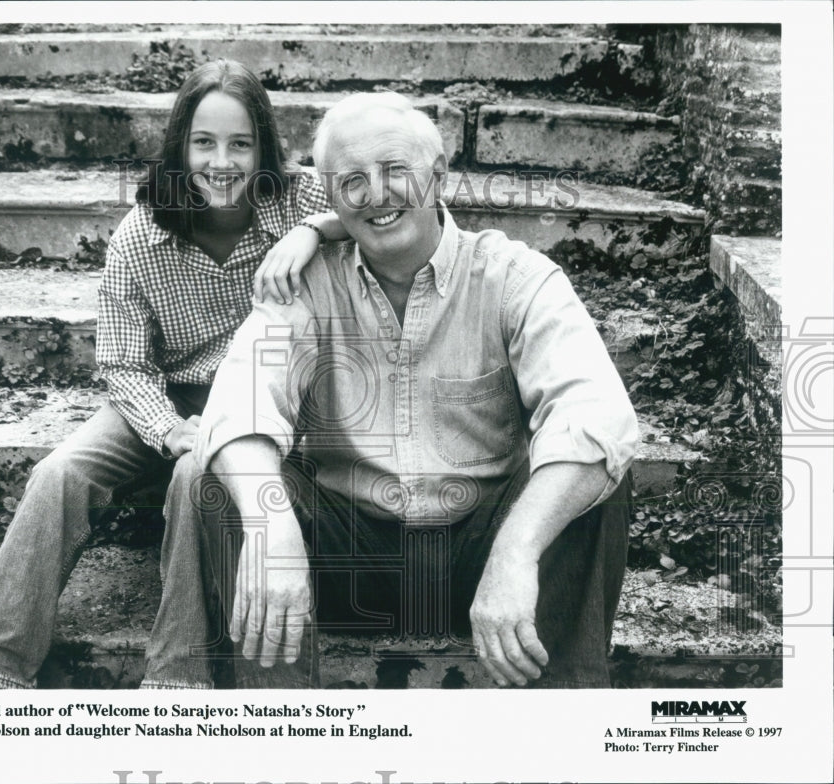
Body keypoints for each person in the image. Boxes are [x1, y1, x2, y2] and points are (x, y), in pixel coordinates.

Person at [178, 91, 639, 688]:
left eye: (395, 170)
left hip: (481, 556)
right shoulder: (306, 286)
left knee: (593, 466)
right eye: (353, 181)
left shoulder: (514, 278)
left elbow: (596, 411)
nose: (376, 194)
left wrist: (515, 550)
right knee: (219, 478)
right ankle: (279, 732)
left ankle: (558, 721)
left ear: (438, 176)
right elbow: (241, 401)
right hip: (347, 560)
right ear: (332, 197)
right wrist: (273, 527)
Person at [0, 59, 344, 689]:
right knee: (59, 472)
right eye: (204, 143)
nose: (223, 162)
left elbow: (377, 212)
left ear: (265, 147)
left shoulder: (301, 199)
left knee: (198, 472)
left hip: (263, 400)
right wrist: (165, 426)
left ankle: (174, 677)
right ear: (179, 146)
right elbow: (125, 362)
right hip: (165, 393)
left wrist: (310, 230)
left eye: (241, 143)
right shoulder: (141, 235)